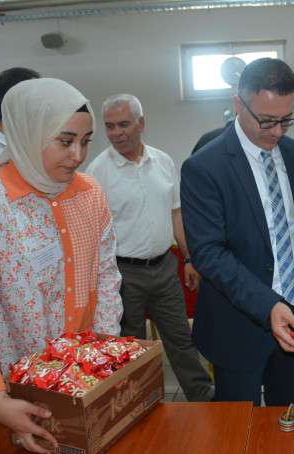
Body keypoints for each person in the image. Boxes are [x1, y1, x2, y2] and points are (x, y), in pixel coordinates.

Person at [0, 78, 123, 454]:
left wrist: (103, 361)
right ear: (28, 133)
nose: (77, 155)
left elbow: (105, 278)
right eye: (65, 141)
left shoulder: (90, 195)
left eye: (85, 141)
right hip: (7, 392)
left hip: (79, 379)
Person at [181, 58, 294, 406]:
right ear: (239, 104)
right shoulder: (204, 166)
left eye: (286, 119)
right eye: (267, 120)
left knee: (288, 418)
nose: (277, 131)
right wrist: (269, 305)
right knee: (238, 427)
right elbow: (209, 253)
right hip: (235, 323)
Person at [86, 94, 213, 401]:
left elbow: (176, 213)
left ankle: (202, 395)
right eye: (110, 126)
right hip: (123, 273)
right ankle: (139, 402)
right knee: (131, 345)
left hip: (165, 267)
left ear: (141, 123)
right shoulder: (97, 172)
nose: (116, 133)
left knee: (180, 338)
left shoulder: (163, 161)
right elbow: (91, 232)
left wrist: (188, 259)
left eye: (123, 124)